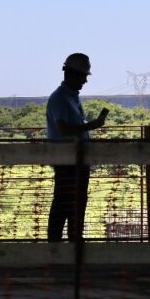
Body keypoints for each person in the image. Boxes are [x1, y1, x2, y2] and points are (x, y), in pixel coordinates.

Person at [46, 52, 109, 241]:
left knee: (76, 202)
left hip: (77, 159)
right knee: (64, 203)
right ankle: (56, 245)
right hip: (66, 161)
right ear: (71, 74)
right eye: (83, 76)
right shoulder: (59, 98)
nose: (85, 81)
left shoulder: (71, 97)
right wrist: (91, 125)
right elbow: (63, 129)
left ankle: (73, 242)